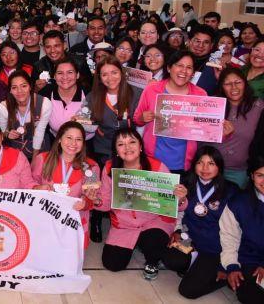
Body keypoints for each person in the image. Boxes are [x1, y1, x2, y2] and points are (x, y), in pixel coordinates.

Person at [96, 127, 188, 279]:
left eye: (132, 142)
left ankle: (152, 259)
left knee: (155, 245)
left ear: (140, 146)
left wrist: (181, 198)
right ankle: (139, 242)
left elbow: (175, 205)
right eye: (121, 144)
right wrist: (95, 200)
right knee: (112, 263)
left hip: (154, 221)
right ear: (116, 150)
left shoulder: (157, 166)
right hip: (124, 225)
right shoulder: (108, 168)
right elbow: (104, 204)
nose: (127, 147)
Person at [162, 146, 237, 299]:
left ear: (219, 166)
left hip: (214, 249)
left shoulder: (230, 191)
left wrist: (225, 265)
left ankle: (217, 275)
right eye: (200, 162)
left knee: (188, 291)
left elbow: (234, 231)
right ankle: (193, 262)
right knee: (170, 259)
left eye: (211, 163)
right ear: (194, 165)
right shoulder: (186, 184)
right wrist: (178, 231)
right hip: (190, 240)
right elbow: (179, 213)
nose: (205, 168)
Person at [134, 51, 207, 173]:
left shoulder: (200, 94)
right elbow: (136, 119)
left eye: (189, 67)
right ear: (168, 68)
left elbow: (206, 129)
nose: (184, 71)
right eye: (179, 65)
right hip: (153, 160)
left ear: (193, 73)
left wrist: (218, 128)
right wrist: (142, 118)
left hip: (183, 163)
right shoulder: (152, 89)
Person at [31, 121, 100, 245]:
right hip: (45, 218)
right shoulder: (42, 159)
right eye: (69, 137)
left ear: (83, 143)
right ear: (59, 139)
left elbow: (92, 198)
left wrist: (85, 203)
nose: (73, 143)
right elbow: (31, 185)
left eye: (78, 139)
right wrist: (37, 187)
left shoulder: (91, 167)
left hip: (73, 222)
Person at [219, 152, 264, 304]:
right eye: (260, 175)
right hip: (249, 260)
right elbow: (229, 237)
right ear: (252, 176)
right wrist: (232, 266)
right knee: (249, 295)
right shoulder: (238, 202)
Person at [213, 68, 264, 188]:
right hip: (210, 168)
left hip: (238, 171)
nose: (234, 87)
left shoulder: (258, 106)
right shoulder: (212, 104)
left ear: (245, 83)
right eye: (227, 84)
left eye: (238, 82)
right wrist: (221, 135)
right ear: (221, 87)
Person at [87, 57, 141, 166]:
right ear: (99, 77)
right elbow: (88, 124)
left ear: (121, 73)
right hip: (104, 151)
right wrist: (80, 121)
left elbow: (141, 123)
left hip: (131, 151)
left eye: (114, 73)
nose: (110, 78)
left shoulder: (136, 93)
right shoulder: (92, 97)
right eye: (104, 75)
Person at [0, 71, 50, 161]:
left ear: (30, 86)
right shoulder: (3, 107)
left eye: (24, 86)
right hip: (14, 150)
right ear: (10, 90)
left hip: (39, 148)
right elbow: (1, 132)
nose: (19, 91)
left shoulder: (44, 103)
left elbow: (39, 132)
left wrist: (34, 160)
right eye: (14, 87)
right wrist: (7, 134)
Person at [46, 58, 91, 139]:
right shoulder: (46, 95)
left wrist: (83, 121)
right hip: (56, 141)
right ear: (54, 76)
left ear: (77, 75)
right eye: (60, 73)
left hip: (86, 142)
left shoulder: (89, 95)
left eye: (70, 72)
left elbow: (99, 122)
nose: (65, 77)